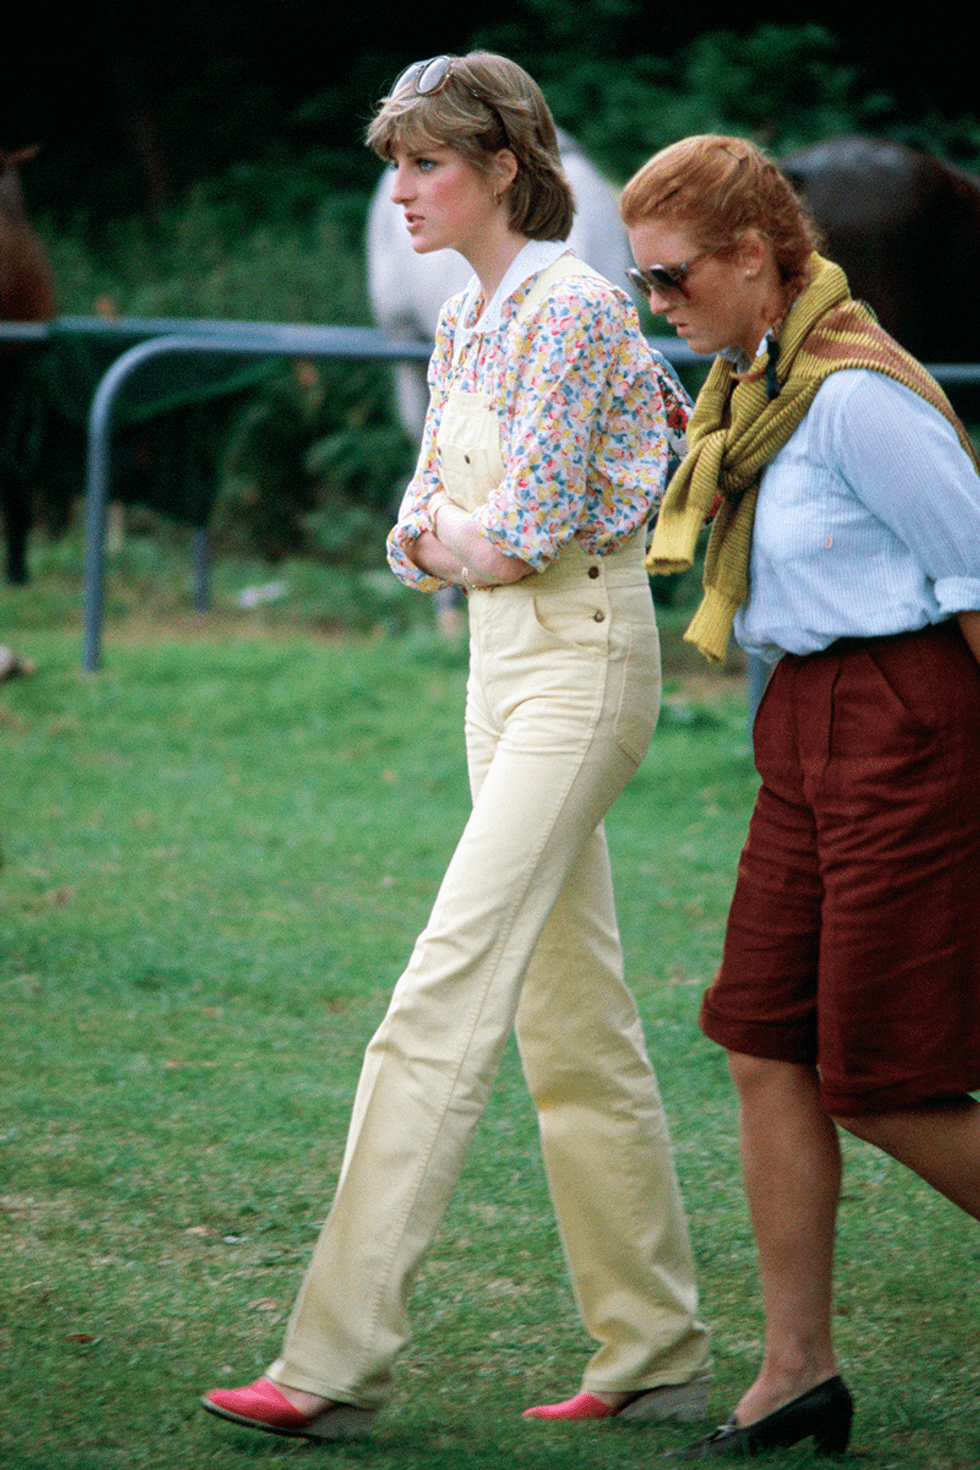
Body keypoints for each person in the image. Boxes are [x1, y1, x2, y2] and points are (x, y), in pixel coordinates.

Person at [200, 54, 710, 1443]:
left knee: (440, 997)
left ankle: (331, 1358)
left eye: (425, 162)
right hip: (499, 672)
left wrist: (451, 543)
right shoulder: (468, 315)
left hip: (583, 667)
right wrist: (447, 542)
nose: (402, 191)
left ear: (500, 165)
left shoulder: (572, 305)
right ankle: (656, 1343)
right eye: (394, 162)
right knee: (572, 1016)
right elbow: (415, 526)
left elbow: (513, 532)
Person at [619, 132, 980, 1460]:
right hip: (804, 726)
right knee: (763, 1035)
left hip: (908, 721)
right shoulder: (750, 386)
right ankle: (798, 1373)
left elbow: (978, 581)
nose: (660, 305)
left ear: (755, 258)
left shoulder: (857, 396)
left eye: (669, 280)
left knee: (881, 1077)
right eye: (645, 280)